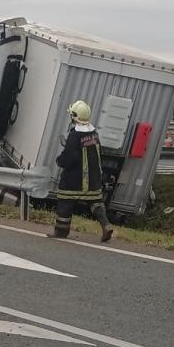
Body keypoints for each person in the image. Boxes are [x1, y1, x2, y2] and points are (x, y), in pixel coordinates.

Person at [50, 100, 113, 242]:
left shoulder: (74, 135)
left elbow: (69, 157)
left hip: (75, 179)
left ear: (74, 116)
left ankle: (61, 231)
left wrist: (60, 160)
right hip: (93, 178)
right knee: (95, 201)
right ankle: (106, 225)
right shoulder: (93, 133)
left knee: (65, 201)